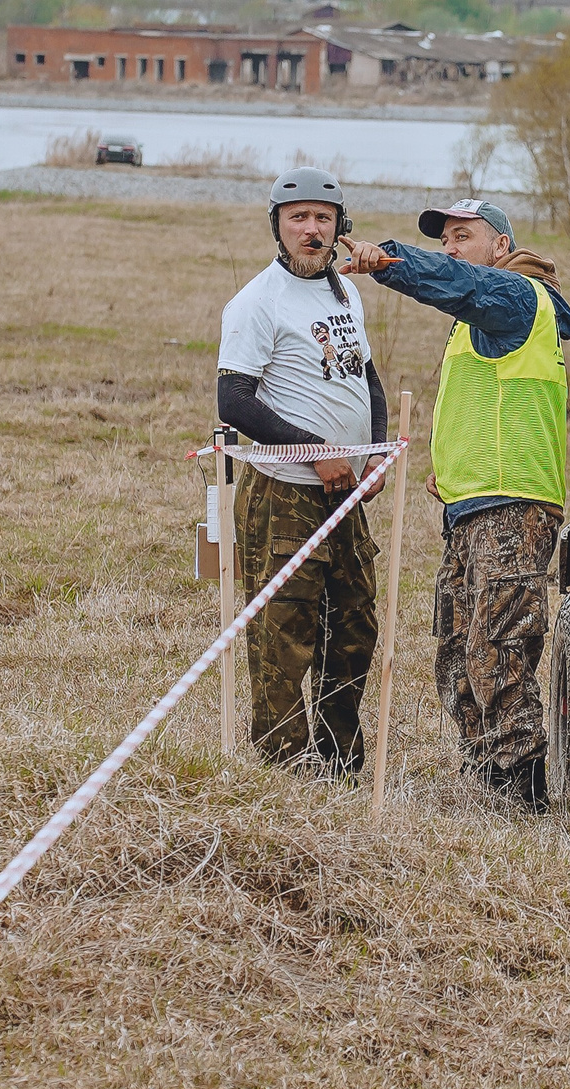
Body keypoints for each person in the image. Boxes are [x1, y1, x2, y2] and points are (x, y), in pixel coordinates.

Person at [340, 198, 570, 806]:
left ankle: (520, 794)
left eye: (462, 236)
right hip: (470, 507)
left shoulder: (518, 298)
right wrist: (448, 465)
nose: (451, 248)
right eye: (444, 239)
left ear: (501, 247)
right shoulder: (479, 320)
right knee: (455, 653)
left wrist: (388, 262)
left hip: (513, 506)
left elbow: (455, 283)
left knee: (499, 650)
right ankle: (488, 777)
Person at [217, 168, 391, 773]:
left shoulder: (345, 292)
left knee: (354, 626)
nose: (312, 231)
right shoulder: (256, 302)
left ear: (340, 225)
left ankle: (340, 759)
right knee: (283, 631)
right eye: (299, 219)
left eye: (323, 218)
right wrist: (313, 449)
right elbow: (234, 402)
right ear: (278, 227)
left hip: (345, 491)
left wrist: (373, 453)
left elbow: (365, 375)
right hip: (285, 492)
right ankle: (283, 767)